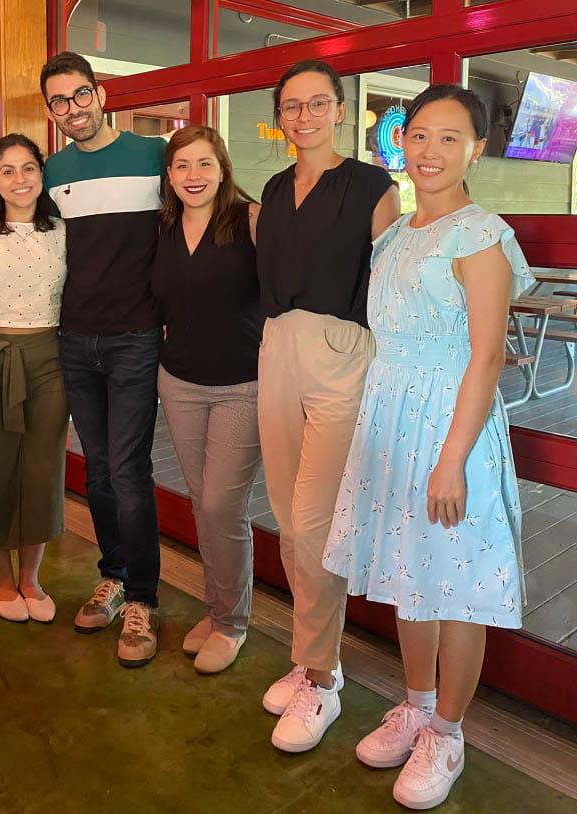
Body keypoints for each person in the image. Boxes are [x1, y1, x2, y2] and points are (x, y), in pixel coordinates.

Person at [322, 84, 533, 810]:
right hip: (390, 418)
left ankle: (447, 729)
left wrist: (452, 458)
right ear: (400, 145)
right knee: (409, 572)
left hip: (453, 427)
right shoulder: (395, 232)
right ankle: (414, 705)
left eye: (450, 138)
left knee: (457, 586)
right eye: (419, 136)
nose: (431, 151)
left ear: (476, 149)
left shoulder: (482, 235)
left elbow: (485, 357)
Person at [256, 60, 401, 751]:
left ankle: (323, 676)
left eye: (318, 104)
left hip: (344, 353)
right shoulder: (276, 187)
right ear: (280, 116)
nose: (305, 116)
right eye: (292, 106)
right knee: (287, 518)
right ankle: (309, 659)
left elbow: (394, 285)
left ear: (341, 111)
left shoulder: (374, 185)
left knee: (314, 523)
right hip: (279, 348)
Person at [40, 52, 165, 667]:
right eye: (58, 102)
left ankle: (143, 598)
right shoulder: (52, 171)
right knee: (94, 472)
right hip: (73, 339)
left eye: (79, 95)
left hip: (135, 337)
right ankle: (113, 575)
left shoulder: (152, 157)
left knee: (128, 471)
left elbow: (202, 214)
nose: (71, 110)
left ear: (101, 93)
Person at [153, 124, 262, 674]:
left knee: (223, 505)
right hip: (180, 384)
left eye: (203, 164)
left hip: (243, 385)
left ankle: (232, 622)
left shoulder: (251, 220)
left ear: (222, 168)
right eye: (181, 166)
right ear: (169, 176)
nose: (192, 176)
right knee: (203, 504)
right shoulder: (163, 228)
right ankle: (218, 609)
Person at [0, 134, 68, 624]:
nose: (20, 179)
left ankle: (30, 578)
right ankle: (1, 579)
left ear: (41, 174)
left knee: (43, 470)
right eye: (8, 170)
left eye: (29, 168)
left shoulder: (63, 232)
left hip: (51, 358)